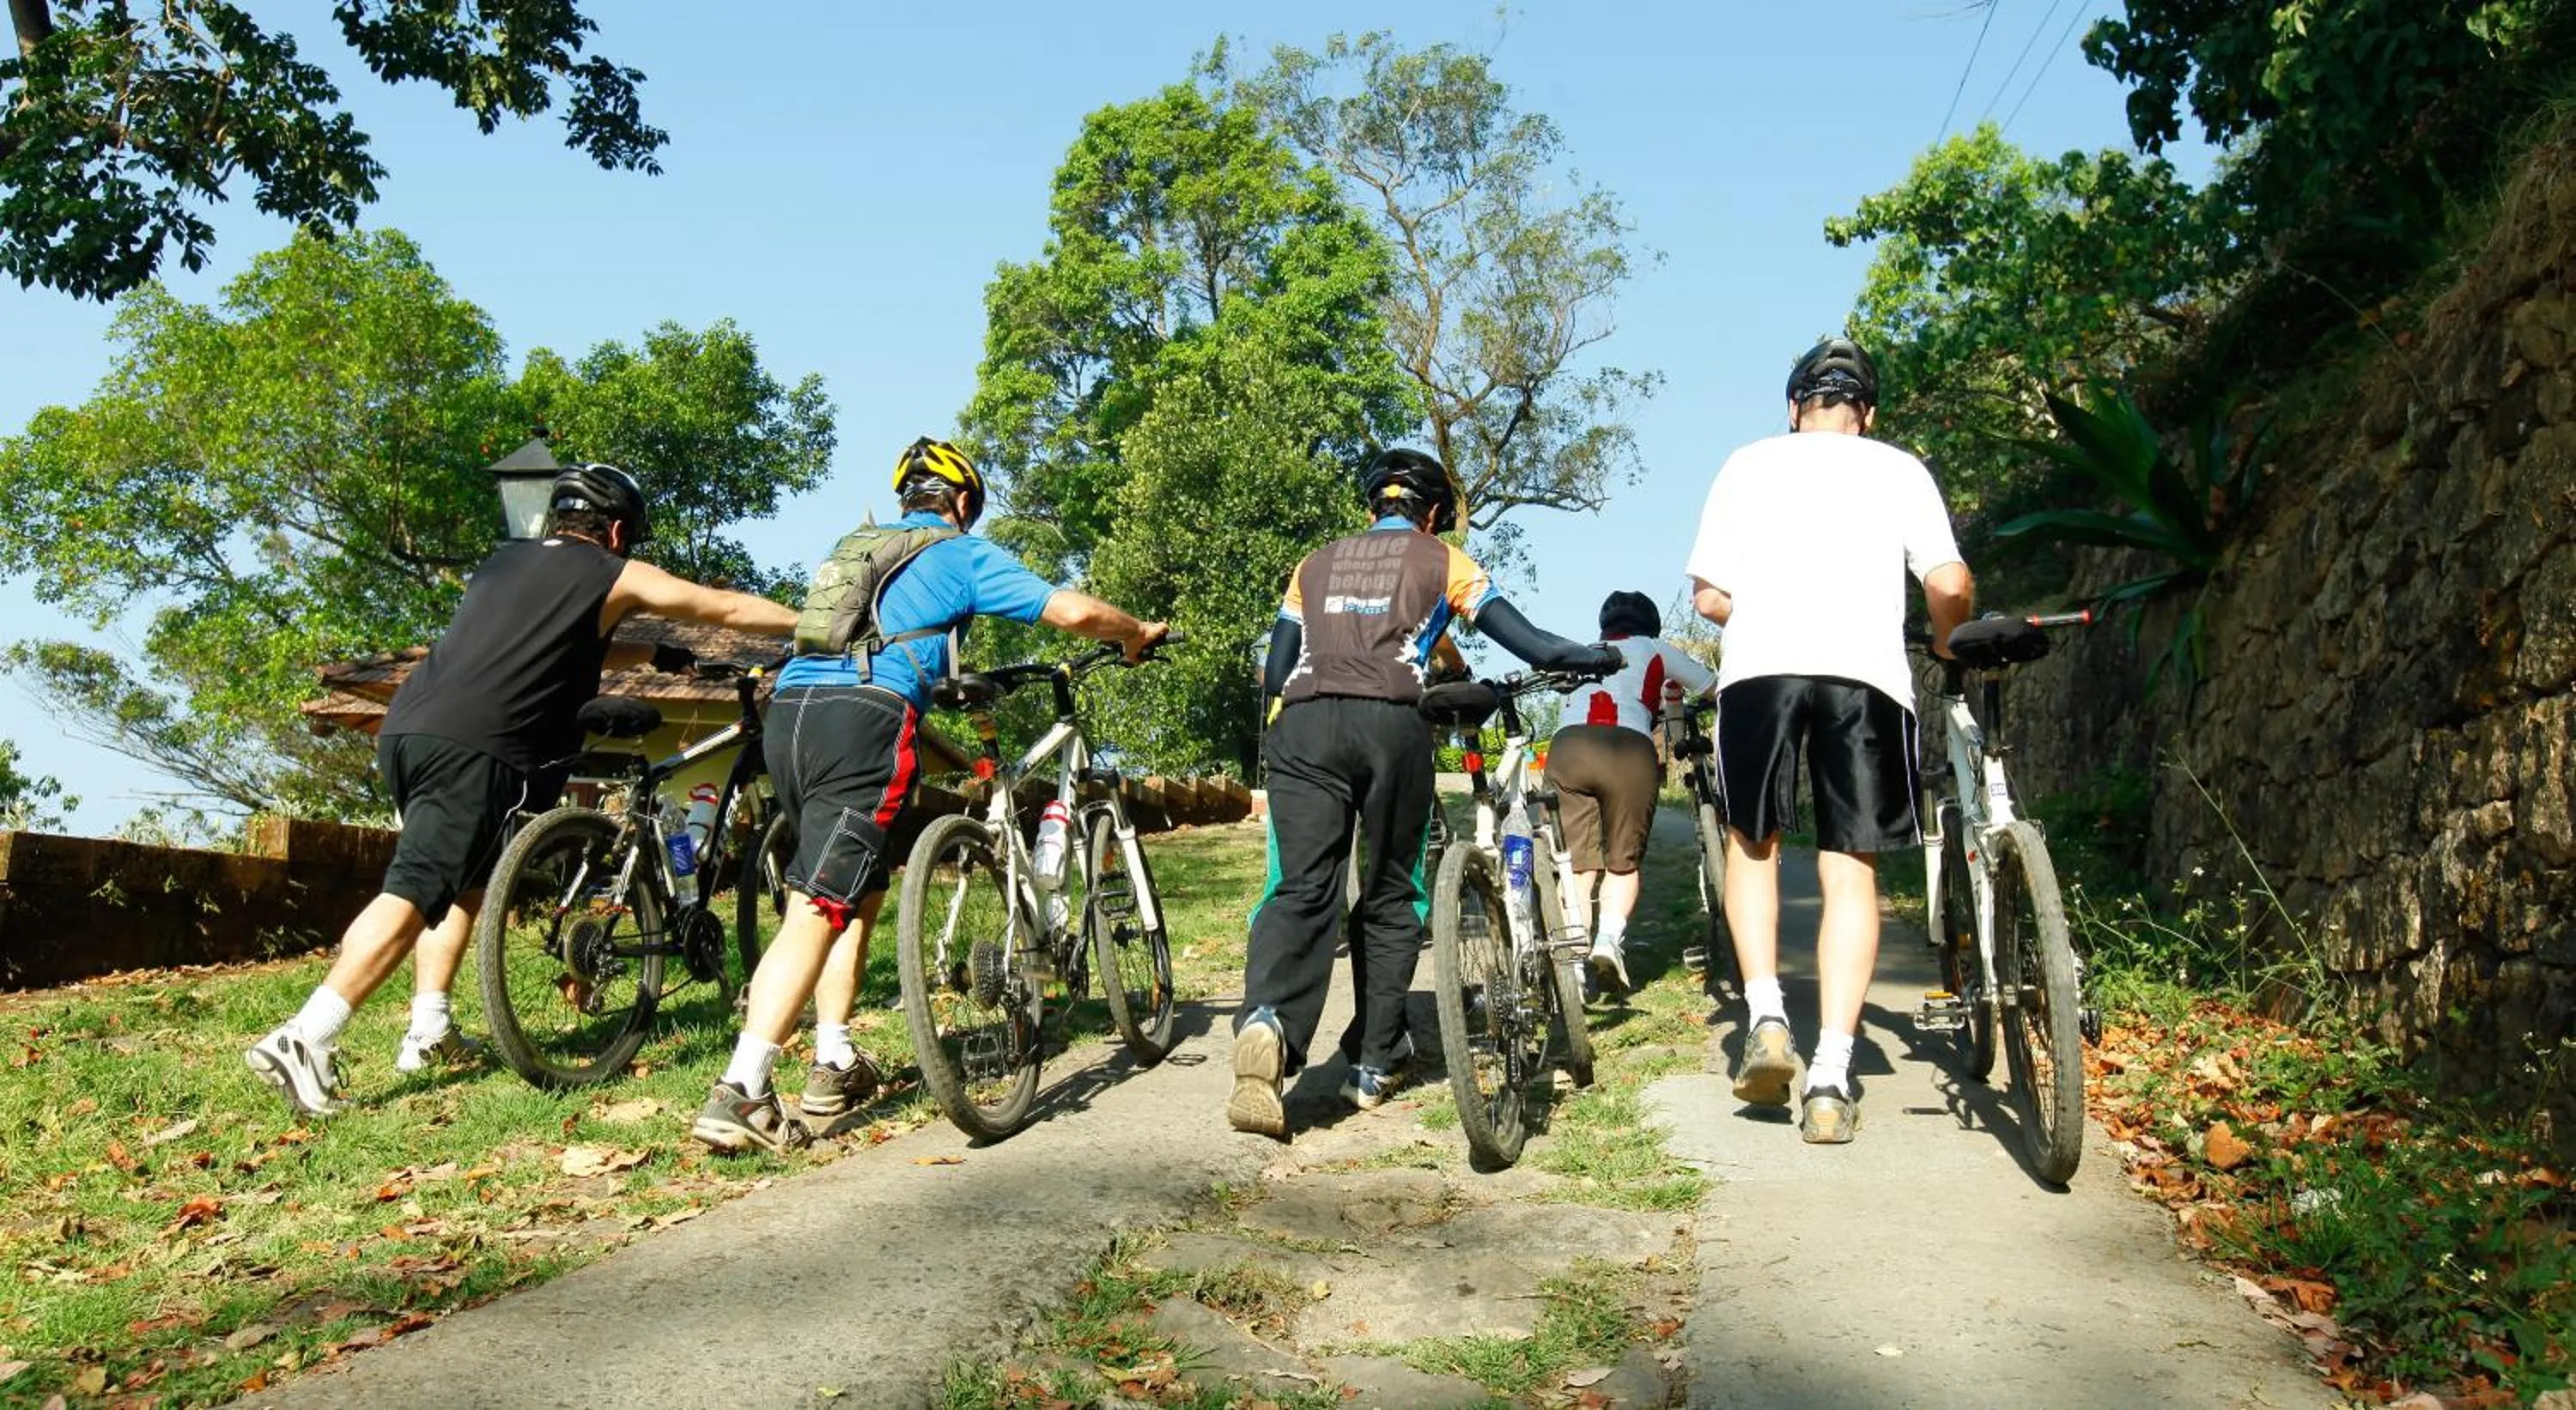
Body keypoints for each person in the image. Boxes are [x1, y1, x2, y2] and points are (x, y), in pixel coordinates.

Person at [246, 464, 801, 1116]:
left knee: (464, 884)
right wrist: (813, 623)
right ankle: (307, 1035)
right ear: (617, 530)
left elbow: (571, 645)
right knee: (417, 888)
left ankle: (429, 1027)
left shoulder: (504, 565)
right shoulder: (606, 571)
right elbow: (727, 608)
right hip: (478, 746)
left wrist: (654, 657)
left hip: (410, 729)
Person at [690, 437, 1166, 1153]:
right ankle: (743, 1090)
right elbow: (1066, 612)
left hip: (791, 714)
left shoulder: (858, 545)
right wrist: (1134, 632)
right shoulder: (960, 552)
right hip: (865, 715)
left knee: (850, 886)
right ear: (965, 503)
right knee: (820, 906)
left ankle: (835, 1059)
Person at [1228, 447, 1622, 1140]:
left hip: (1304, 723)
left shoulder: (1313, 565)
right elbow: (1531, 645)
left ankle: (1268, 1022)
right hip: (1390, 724)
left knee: (1299, 886)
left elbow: (1277, 669)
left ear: (1373, 506)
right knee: (1390, 889)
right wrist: (1597, 657)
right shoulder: (1445, 561)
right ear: (1434, 513)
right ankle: (1374, 1062)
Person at [1683, 338, 1972, 1144]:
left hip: (1761, 674)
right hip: (1867, 676)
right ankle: (1834, 1077)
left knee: (1754, 843)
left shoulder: (1747, 463)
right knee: (1851, 866)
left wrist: (1775, 615)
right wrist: (1948, 646)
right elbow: (1947, 583)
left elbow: (1709, 598)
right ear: (1867, 414)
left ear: (1792, 407)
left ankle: (1768, 1019)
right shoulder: (1899, 468)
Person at [1548, 590, 1716, 992]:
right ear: (1651, 625)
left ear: (1604, 627)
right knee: (1623, 863)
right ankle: (1608, 940)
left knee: (1577, 865)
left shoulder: (1582, 651)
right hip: (1628, 749)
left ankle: (1571, 965)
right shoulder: (1654, 648)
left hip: (1569, 748)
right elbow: (1711, 687)